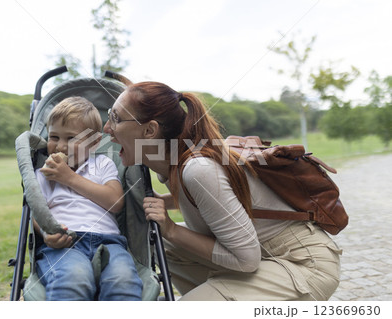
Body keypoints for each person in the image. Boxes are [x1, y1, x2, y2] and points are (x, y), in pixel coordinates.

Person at [103, 82, 342, 301]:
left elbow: (246, 259)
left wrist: (172, 229)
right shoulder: (171, 164)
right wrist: (163, 203)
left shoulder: (198, 168)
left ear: (149, 131)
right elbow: (210, 201)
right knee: (164, 246)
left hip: (302, 263)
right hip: (265, 257)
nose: (106, 128)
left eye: (115, 118)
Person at [34, 96, 143, 301]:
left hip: (109, 243)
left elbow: (116, 202)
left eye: (71, 138)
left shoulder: (102, 164)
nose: (60, 146)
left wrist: (69, 178)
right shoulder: (43, 174)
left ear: (93, 142)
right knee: (73, 278)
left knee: (123, 280)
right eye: (54, 137)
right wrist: (48, 234)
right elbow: (37, 213)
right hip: (66, 243)